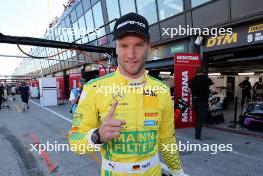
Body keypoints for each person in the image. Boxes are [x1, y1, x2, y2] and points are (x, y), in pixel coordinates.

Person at [69, 12, 187, 176]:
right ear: (116, 48)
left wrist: (177, 171)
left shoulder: (162, 90)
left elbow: (166, 139)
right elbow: (75, 142)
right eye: (124, 45)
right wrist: (98, 136)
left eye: (138, 45)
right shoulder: (94, 88)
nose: (131, 55)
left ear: (149, 46)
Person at [189, 66, 214, 140]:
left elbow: (189, 91)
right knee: (200, 119)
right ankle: (197, 135)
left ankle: (197, 132)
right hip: (203, 102)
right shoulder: (207, 80)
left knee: (198, 118)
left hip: (195, 102)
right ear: (203, 72)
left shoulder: (192, 80)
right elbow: (213, 90)